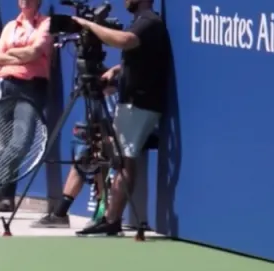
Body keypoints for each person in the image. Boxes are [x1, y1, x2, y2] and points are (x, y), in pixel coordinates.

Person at [33, 0, 171, 234]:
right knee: (110, 152)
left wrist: (88, 25)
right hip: (132, 102)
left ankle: (111, 219)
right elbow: (139, 58)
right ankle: (105, 215)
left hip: (138, 104)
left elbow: (125, 41)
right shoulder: (143, 22)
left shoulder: (149, 21)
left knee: (124, 159)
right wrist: (116, 72)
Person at [0, 0, 51, 213]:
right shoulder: (10, 26)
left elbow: (36, 51)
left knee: (21, 142)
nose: (25, 1)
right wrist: (24, 54)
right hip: (3, 85)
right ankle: (6, 198)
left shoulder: (46, 24)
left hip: (31, 88)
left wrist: (11, 56)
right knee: (5, 144)